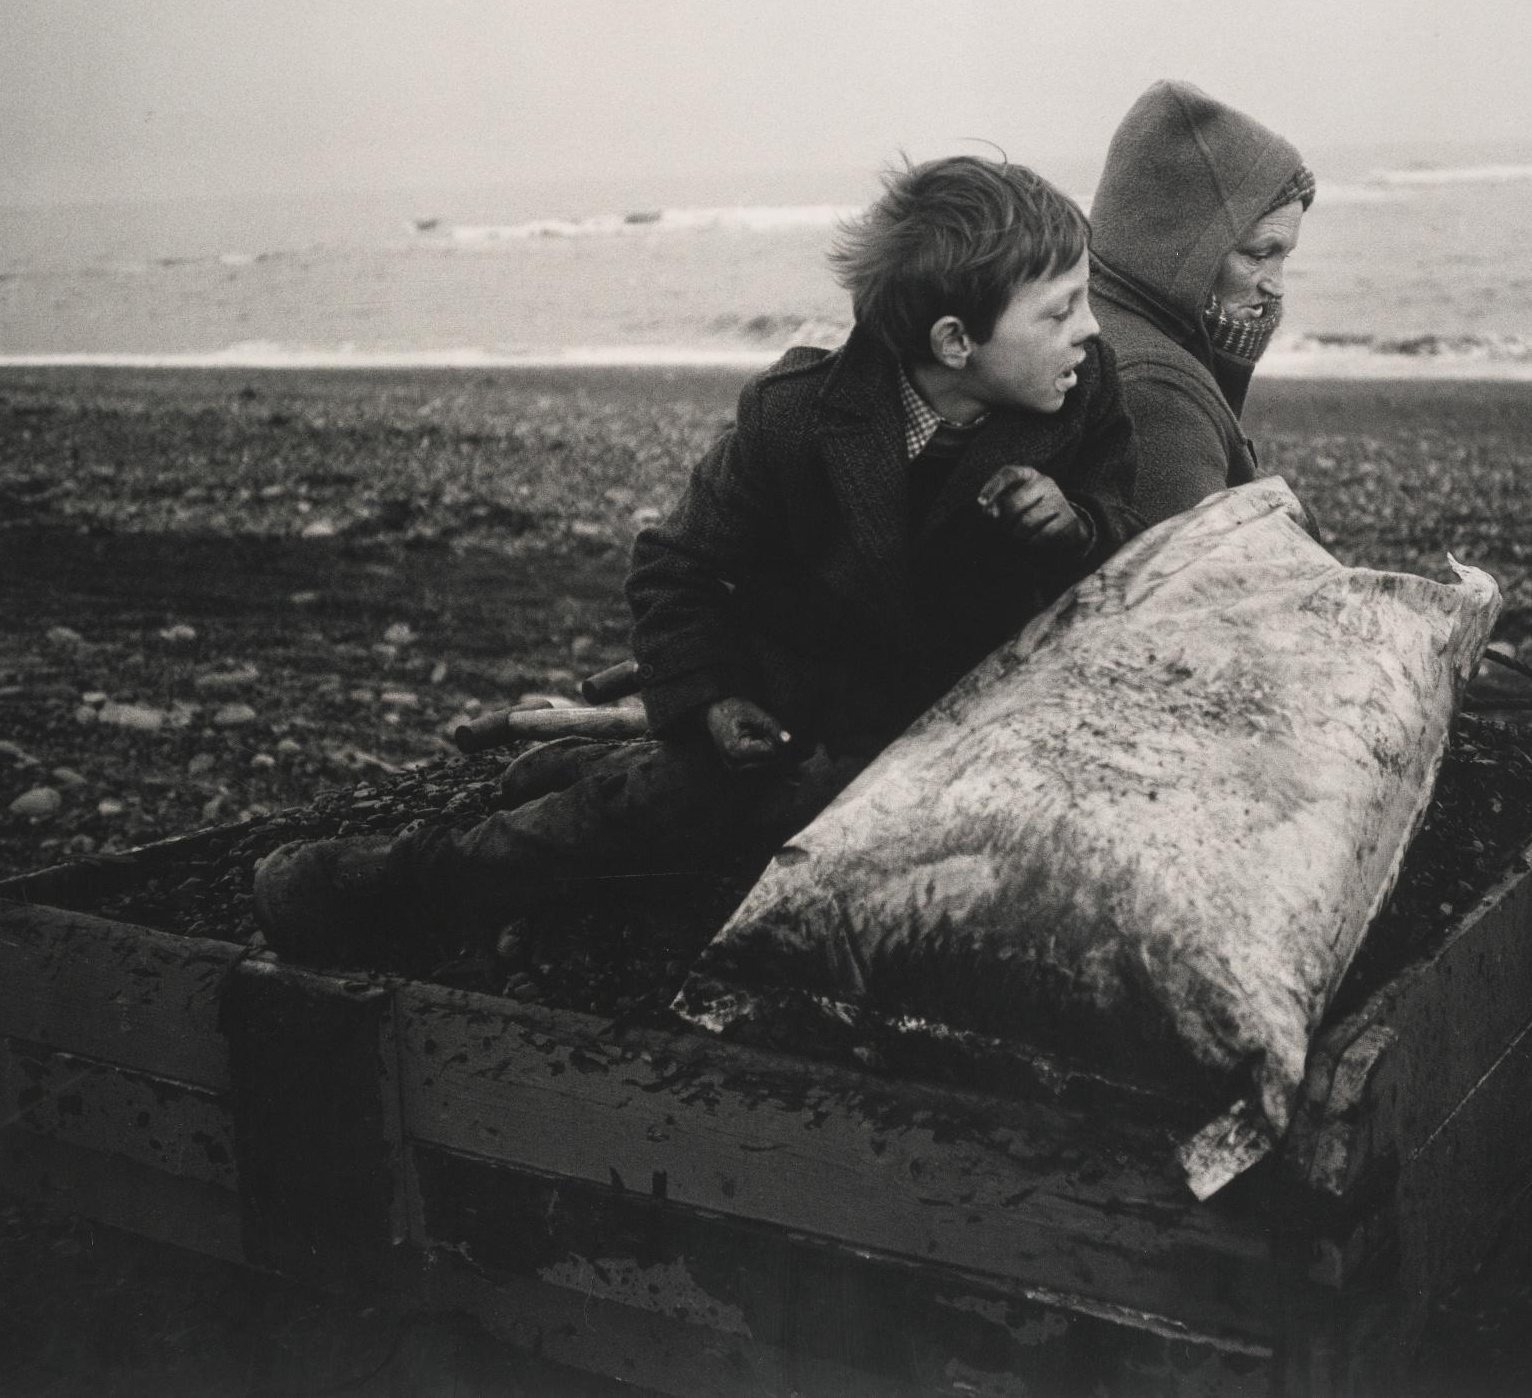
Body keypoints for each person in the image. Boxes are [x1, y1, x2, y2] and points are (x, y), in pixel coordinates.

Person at [252, 156, 1140, 964]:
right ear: (955, 343)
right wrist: (712, 700)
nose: (1092, 331)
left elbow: (1127, 531)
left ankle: (568, 775)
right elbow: (672, 567)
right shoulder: (794, 422)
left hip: (962, 735)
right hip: (791, 723)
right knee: (646, 813)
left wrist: (1072, 529)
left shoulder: (1078, 399)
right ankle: (402, 885)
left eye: (1086, 298)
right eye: (1061, 308)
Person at [1086, 80, 1317, 528]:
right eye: (1258, 254)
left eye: (1283, 256)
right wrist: (1300, 523)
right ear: (1190, 243)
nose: (1277, 286)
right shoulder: (1156, 386)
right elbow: (1213, 581)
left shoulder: (1097, 316)